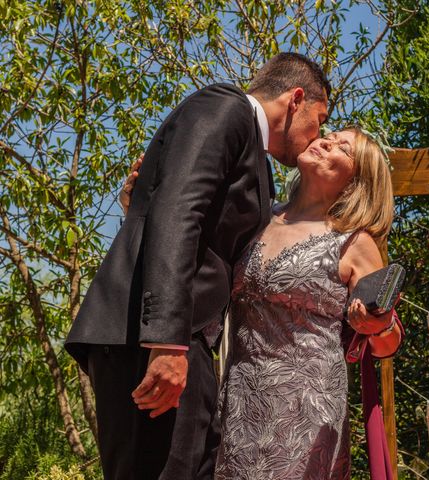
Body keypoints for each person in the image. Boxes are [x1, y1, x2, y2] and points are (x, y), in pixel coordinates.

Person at [64, 53, 331, 480]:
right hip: (151, 338)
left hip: (192, 343)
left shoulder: (260, 165)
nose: (317, 137)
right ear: (296, 99)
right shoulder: (226, 107)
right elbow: (179, 210)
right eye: (319, 120)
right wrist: (167, 343)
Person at [121, 127, 403, 479]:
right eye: (329, 135)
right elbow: (191, 260)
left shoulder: (355, 242)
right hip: (238, 401)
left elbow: (387, 340)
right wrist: (146, 210)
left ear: (357, 181)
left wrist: (379, 325)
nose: (326, 141)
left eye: (343, 148)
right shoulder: (257, 218)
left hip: (307, 414)